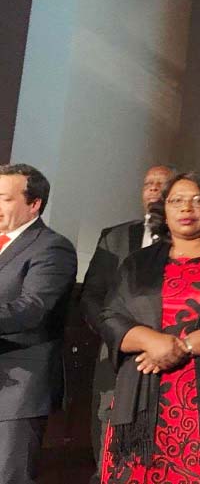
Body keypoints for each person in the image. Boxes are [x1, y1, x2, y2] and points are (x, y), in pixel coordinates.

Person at [99, 172, 200, 483]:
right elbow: (110, 315)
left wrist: (183, 346)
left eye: (198, 200)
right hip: (142, 390)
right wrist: (151, 341)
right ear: (163, 210)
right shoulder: (136, 263)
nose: (187, 208)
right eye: (177, 201)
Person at [79, 163, 175, 481]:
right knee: (109, 450)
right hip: (117, 355)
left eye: (162, 183)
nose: (153, 189)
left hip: (170, 358)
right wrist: (117, 334)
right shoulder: (116, 236)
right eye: (148, 183)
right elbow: (92, 296)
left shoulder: (191, 238)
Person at [0, 164, 77, 484]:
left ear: (34, 204)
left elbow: (32, 309)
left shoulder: (51, 247)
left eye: (3, 198)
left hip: (16, 389)